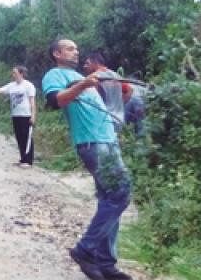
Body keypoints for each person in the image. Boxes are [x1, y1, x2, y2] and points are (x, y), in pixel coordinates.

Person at [42, 38, 133, 280]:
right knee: (120, 193)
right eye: (70, 49)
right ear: (57, 53)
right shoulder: (55, 75)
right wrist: (83, 84)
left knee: (109, 198)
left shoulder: (88, 81)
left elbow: (114, 101)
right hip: (91, 142)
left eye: (77, 49)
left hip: (108, 140)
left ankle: (106, 263)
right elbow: (55, 100)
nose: (76, 52)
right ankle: (85, 250)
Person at [0, 65, 37, 167]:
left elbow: (32, 102)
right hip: (15, 115)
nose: (13, 74)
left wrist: (33, 116)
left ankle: (28, 160)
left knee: (26, 137)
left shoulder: (29, 86)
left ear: (21, 74)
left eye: (15, 72)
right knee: (19, 137)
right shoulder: (11, 85)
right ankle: (22, 158)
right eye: (13, 72)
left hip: (26, 115)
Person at [83, 52, 124, 131]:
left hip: (104, 121)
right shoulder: (116, 75)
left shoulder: (94, 78)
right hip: (119, 118)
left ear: (95, 63)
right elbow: (129, 90)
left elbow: (93, 100)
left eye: (87, 63)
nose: (84, 66)